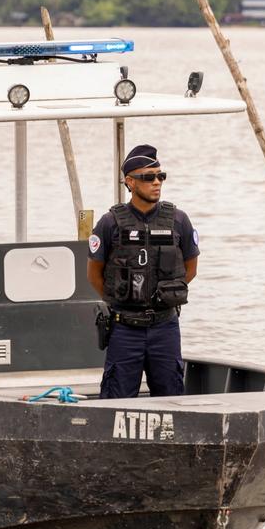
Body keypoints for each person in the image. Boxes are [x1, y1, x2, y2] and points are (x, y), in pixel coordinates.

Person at [87, 144, 199, 398]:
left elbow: (190, 268)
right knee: (116, 399)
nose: (157, 182)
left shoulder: (178, 220)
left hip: (165, 326)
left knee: (171, 396)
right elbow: (94, 273)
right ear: (130, 182)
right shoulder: (109, 223)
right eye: (148, 178)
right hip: (124, 329)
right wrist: (123, 299)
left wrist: (164, 294)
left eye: (161, 176)